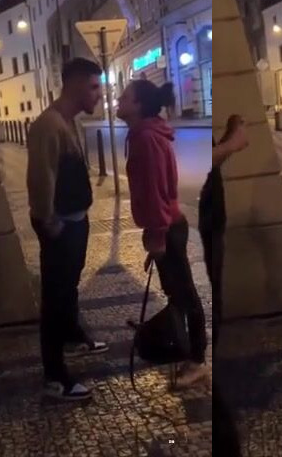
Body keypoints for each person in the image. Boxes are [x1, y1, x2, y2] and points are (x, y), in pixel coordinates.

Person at [116, 79, 209, 388]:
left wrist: (157, 235)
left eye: (124, 97)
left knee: (185, 294)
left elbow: (156, 189)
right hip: (165, 225)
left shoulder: (146, 138)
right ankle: (176, 339)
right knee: (176, 292)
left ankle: (197, 360)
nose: (118, 100)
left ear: (138, 105)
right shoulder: (143, 134)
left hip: (168, 226)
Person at [26, 57, 108, 400]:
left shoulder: (69, 121)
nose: (99, 94)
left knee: (68, 287)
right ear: (74, 84)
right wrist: (49, 222)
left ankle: (73, 337)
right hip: (60, 226)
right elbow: (40, 178)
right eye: (93, 87)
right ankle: (55, 377)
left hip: (74, 221)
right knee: (55, 298)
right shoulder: (49, 125)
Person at [200, 112, 249, 456]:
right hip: (202, 222)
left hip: (211, 220)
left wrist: (229, 139)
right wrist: (233, 143)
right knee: (207, 298)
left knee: (212, 296)